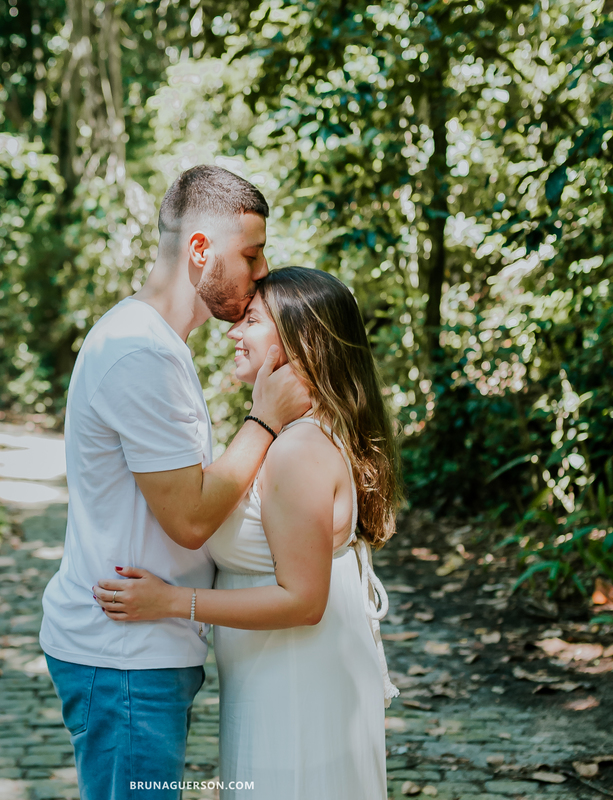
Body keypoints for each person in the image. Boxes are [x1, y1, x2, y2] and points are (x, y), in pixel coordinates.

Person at [39, 166, 311, 800]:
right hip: (124, 654)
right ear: (198, 250)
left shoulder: (156, 344)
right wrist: (265, 420)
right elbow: (189, 518)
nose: (263, 270)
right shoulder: (142, 352)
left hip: (143, 647)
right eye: (251, 253)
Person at [94, 267, 403, 800]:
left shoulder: (298, 449)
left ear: (301, 343)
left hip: (295, 680)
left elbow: (303, 600)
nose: (234, 330)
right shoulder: (291, 435)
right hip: (275, 672)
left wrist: (172, 601)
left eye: (252, 319)